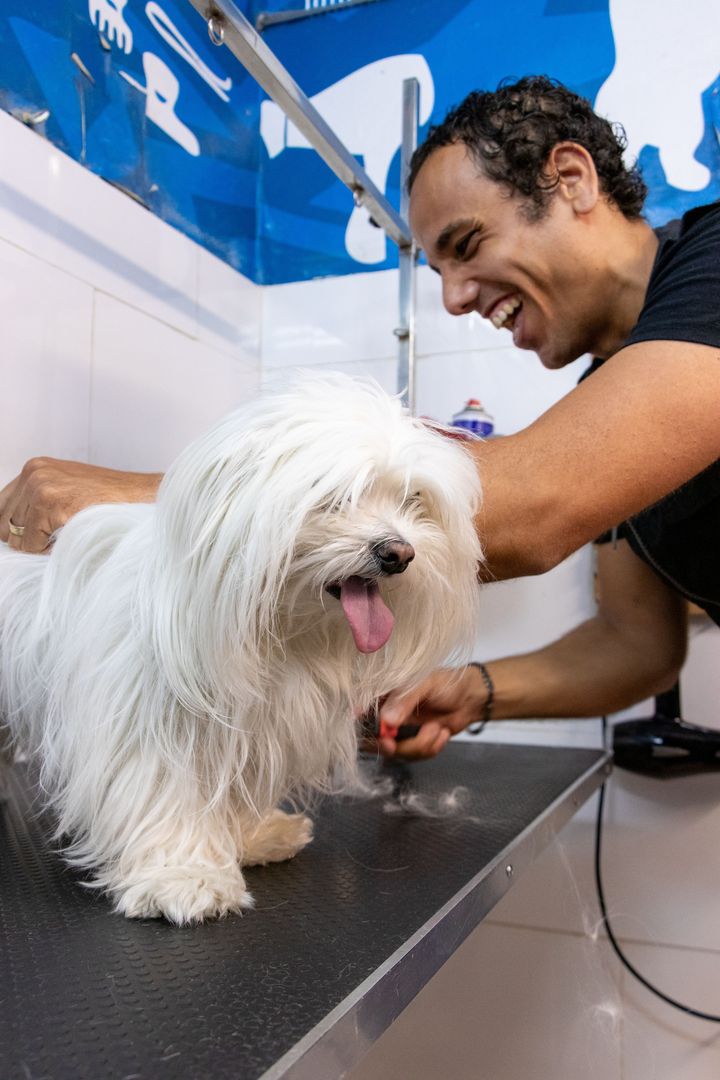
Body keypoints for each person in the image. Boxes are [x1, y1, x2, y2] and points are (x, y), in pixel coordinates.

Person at [1, 77, 719, 755]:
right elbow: (637, 645)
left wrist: (172, 496)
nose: (455, 299)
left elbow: (534, 506)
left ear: (571, 178)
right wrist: (475, 690)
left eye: (466, 246)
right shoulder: (622, 386)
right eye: (437, 273)